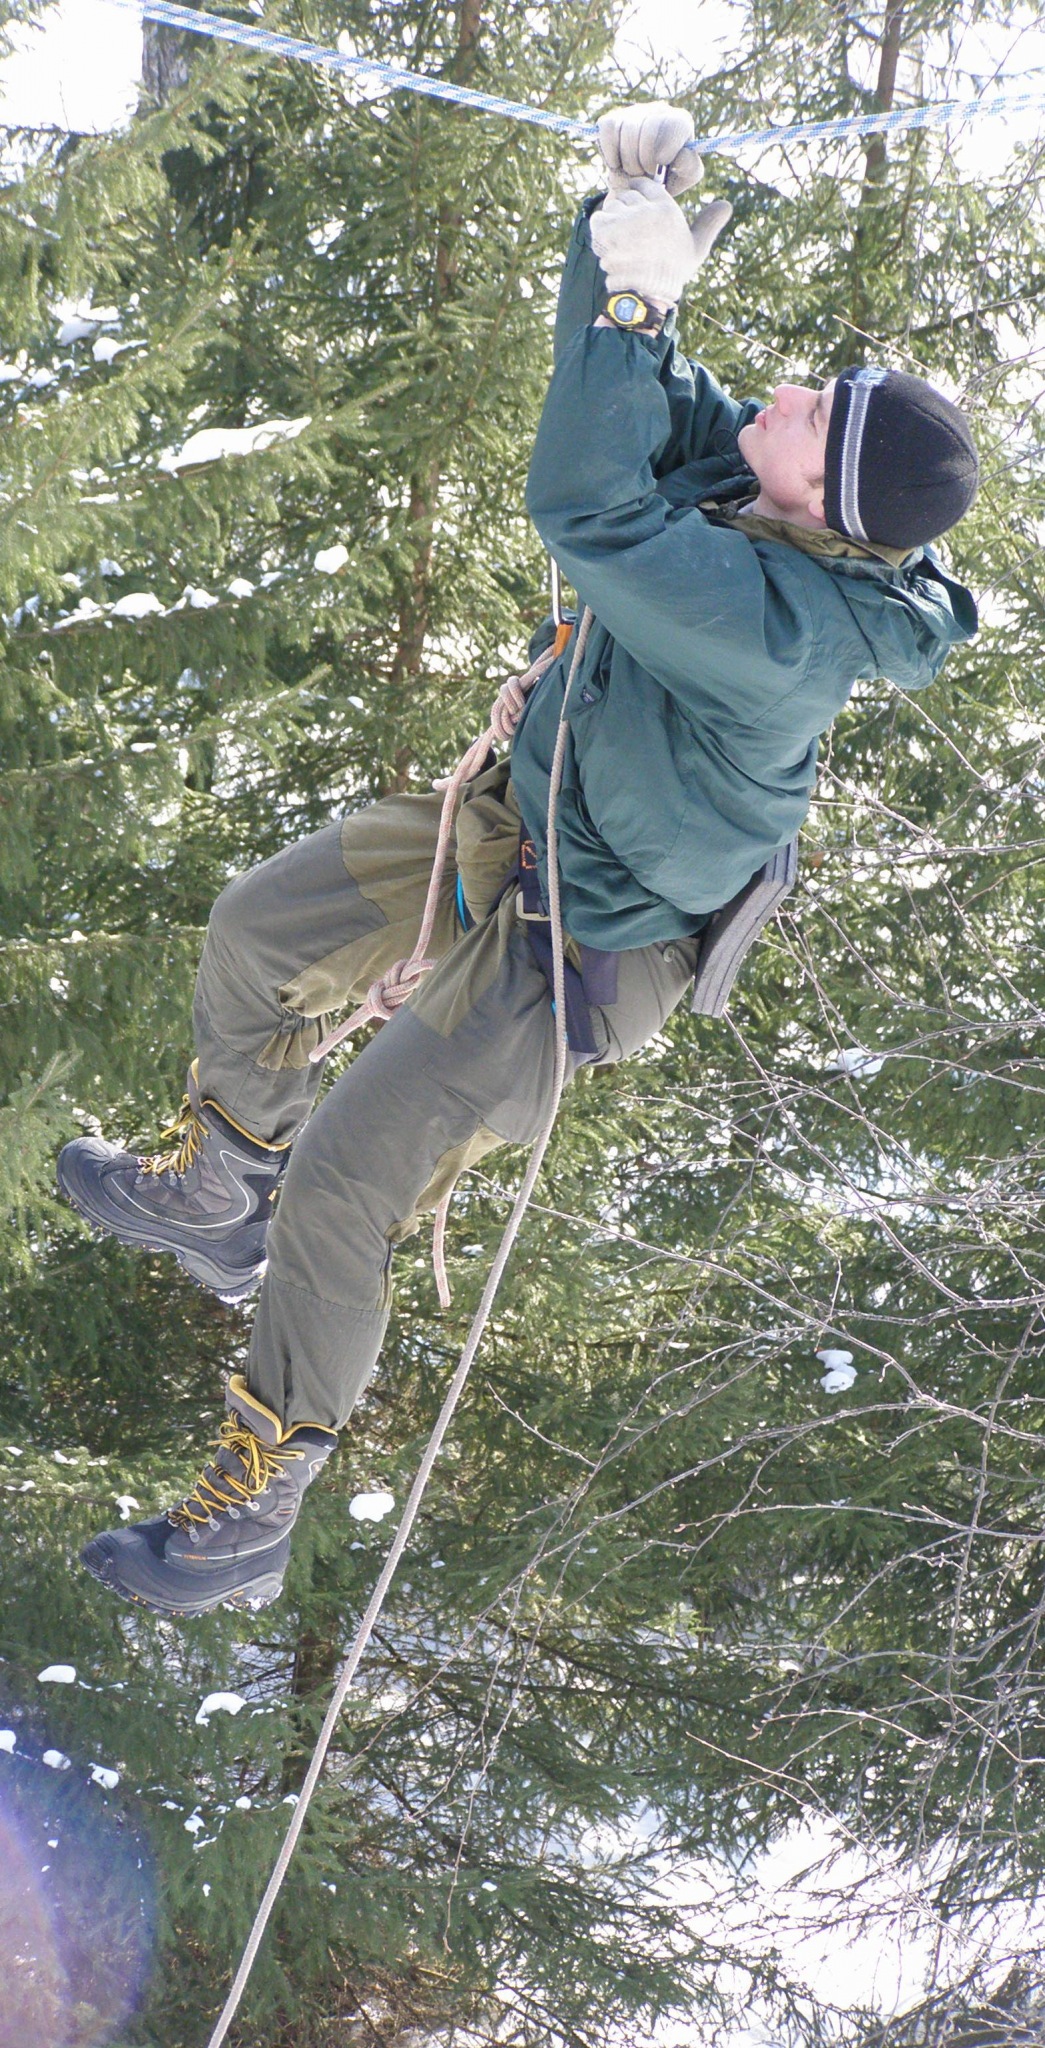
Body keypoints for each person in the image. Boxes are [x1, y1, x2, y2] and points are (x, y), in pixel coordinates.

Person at [57, 104, 979, 1619]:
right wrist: (622, 229)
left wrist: (638, 301)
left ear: (827, 500)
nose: (788, 390)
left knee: (345, 1189)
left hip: (579, 948)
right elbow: (629, 399)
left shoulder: (780, 632)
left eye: (819, 411)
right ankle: (220, 1183)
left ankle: (253, 1511)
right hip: (519, 825)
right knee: (258, 930)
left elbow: (585, 504)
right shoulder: (757, 495)